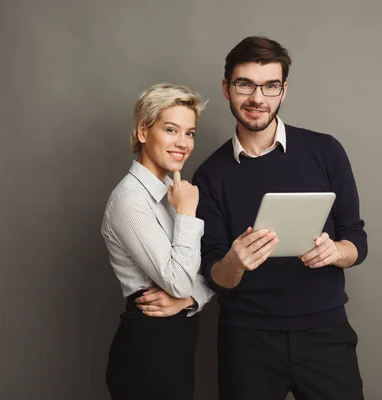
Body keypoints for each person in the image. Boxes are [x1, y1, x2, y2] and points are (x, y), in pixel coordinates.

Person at [192, 36, 368, 400]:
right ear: (227, 88)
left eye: (270, 86)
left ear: (283, 90)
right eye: (245, 84)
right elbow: (214, 273)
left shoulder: (326, 151)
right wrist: (234, 263)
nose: (258, 98)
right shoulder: (209, 176)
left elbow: (356, 240)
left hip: (325, 332)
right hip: (246, 339)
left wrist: (336, 251)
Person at [101, 83, 214, 400]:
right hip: (146, 352)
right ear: (142, 132)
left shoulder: (173, 194)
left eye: (189, 133)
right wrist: (189, 211)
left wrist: (191, 299)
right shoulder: (130, 201)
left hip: (175, 346)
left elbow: (201, 274)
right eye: (171, 130)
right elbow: (180, 281)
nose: (183, 143)